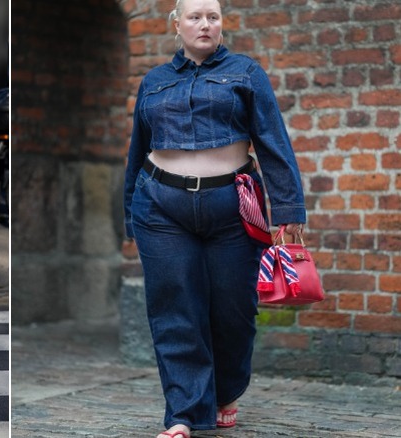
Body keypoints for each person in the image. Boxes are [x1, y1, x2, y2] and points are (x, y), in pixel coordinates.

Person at [122, 1, 306, 437]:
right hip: (161, 207)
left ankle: (226, 392)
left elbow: (273, 143)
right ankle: (184, 413)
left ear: (221, 24)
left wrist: (288, 212)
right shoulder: (154, 81)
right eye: (195, 16)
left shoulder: (246, 73)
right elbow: (137, 151)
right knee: (174, 307)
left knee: (234, 310)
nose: (205, 24)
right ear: (176, 25)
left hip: (233, 209)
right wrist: (130, 213)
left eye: (213, 16)